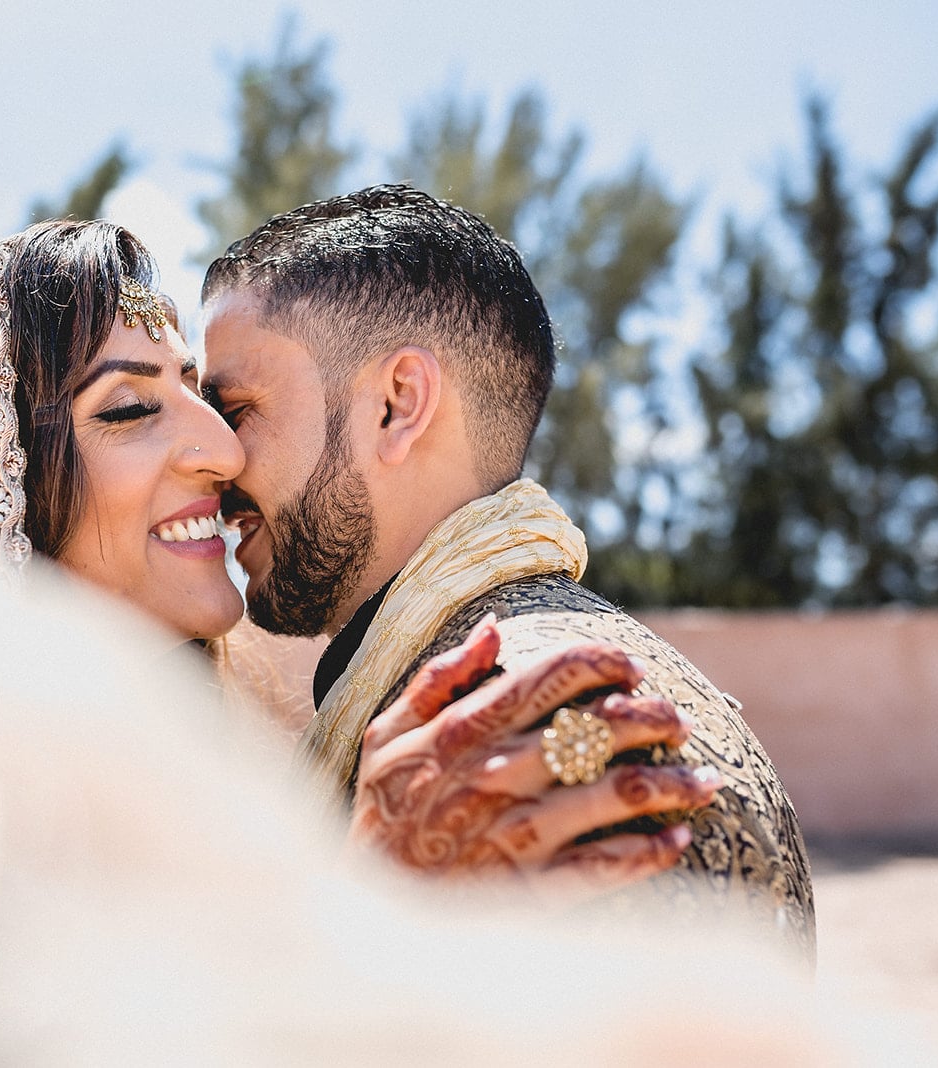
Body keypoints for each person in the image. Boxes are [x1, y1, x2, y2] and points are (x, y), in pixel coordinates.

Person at [0, 218, 715, 898]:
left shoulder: (227, 781)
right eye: (132, 408)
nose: (223, 453)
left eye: (209, 398)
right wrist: (383, 923)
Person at [199, 185, 815, 953]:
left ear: (396, 405)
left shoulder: (516, 738)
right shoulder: (514, 695)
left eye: (233, 410)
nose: (213, 461)